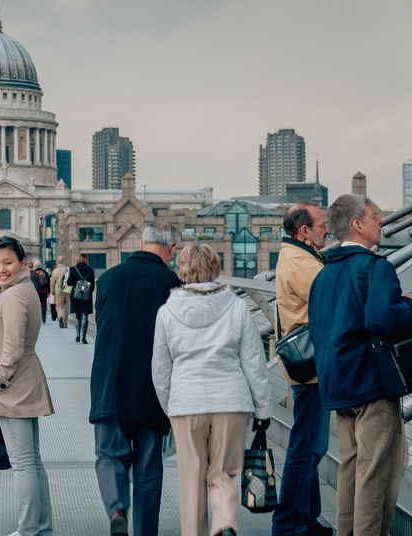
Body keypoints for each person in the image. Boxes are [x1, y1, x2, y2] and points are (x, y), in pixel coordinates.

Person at [308, 194, 412, 536]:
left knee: (350, 471)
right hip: (373, 384)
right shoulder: (374, 267)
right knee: (376, 477)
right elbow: (386, 318)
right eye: (375, 216)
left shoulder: (324, 274)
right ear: (357, 225)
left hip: (338, 384)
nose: (381, 221)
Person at [152, 242, 271, 536]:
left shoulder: (167, 312)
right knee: (224, 474)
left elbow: (161, 369)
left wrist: (170, 407)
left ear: (181, 270)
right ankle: (225, 525)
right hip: (232, 401)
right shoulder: (237, 305)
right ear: (215, 268)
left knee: (192, 479)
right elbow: (254, 360)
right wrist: (263, 409)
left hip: (187, 403)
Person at [90, 222, 181, 536]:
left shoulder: (108, 279)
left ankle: (117, 509)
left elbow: (102, 323)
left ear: (141, 242)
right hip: (150, 387)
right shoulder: (172, 282)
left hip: (108, 382)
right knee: (148, 467)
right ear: (171, 249)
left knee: (108, 454)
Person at [0, 236, 54, 536]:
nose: (0, 269)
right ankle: (41, 526)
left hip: (13, 386)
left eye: (7, 262)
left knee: (22, 463)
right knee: (32, 459)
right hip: (24, 379)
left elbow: (10, 352)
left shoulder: (11, 297)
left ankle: (28, 529)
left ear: (22, 262)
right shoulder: (23, 289)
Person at [272, 203, 332, 536]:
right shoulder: (301, 263)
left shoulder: (296, 257)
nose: (328, 230)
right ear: (304, 231)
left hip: (308, 366)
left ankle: (307, 518)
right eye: (322, 225)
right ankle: (289, 523)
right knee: (307, 446)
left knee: (311, 444)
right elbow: (338, 297)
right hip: (311, 369)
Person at [66, 254, 95, 344]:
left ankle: (78, 335)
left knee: (78, 315)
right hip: (86, 296)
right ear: (86, 260)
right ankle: (84, 337)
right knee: (85, 316)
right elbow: (93, 286)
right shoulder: (90, 271)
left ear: (78, 259)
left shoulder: (73, 269)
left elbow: (69, 283)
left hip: (76, 295)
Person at [50, 256, 69, 329]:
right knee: (66, 306)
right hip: (67, 290)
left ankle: (60, 316)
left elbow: (52, 283)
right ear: (64, 261)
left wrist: (52, 291)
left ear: (58, 262)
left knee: (59, 306)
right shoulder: (68, 270)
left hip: (58, 291)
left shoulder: (55, 271)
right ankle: (65, 323)